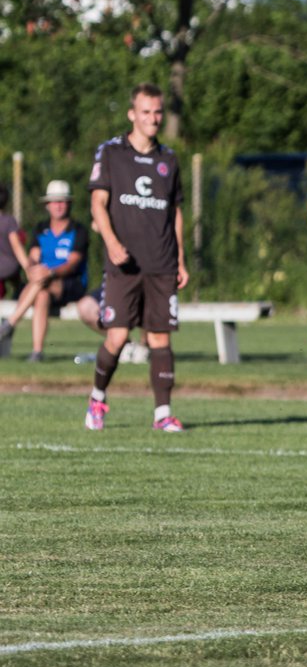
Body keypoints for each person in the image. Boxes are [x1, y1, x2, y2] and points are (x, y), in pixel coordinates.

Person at [84, 83, 188, 432]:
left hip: (161, 263)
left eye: (157, 112)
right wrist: (112, 243)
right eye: (145, 112)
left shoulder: (169, 159)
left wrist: (181, 259)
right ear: (132, 114)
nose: (153, 118)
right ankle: (97, 398)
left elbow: (175, 213)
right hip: (123, 264)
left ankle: (163, 414)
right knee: (117, 336)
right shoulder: (111, 153)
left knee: (160, 338)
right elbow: (97, 203)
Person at [0, 181, 89, 361]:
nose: (58, 205)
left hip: (70, 283)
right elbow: (33, 256)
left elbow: (71, 264)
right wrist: (33, 269)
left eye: (62, 201)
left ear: (69, 203)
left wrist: (50, 272)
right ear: (47, 205)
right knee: (41, 293)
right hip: (43, 284)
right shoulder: (41, 229)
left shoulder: (78, 230)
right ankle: (37, 352)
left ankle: (9, 324)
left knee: (42, 282)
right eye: (54, 201)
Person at [0, 183, 26, 304]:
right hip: (10, 266)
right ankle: (20, 291)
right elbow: (16, 246)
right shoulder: (8, 221)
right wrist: (27, 266)